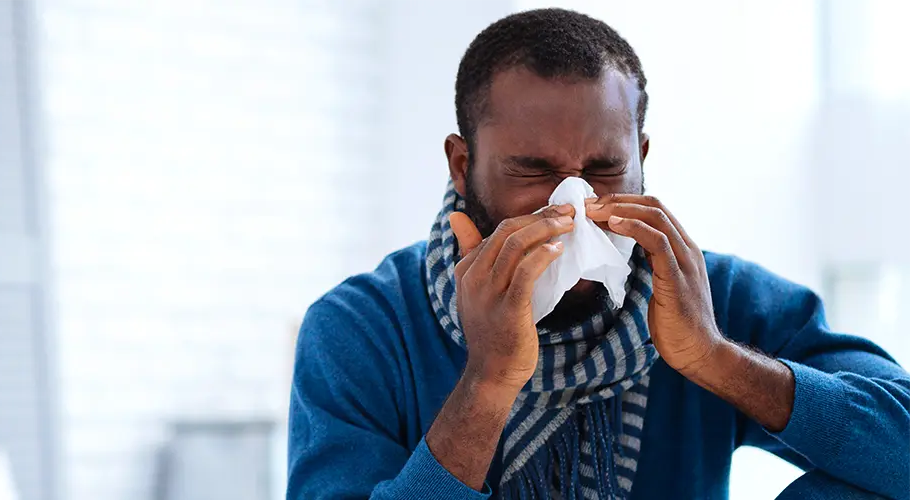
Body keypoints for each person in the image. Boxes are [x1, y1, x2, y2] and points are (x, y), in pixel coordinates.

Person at [287, 8, 910, 500]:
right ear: (462, 164)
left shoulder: (713, 297)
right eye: (533, 171)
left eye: (605, 169)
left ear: (642, 159)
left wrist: (714, 358)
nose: (575, 204)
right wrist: (487, 382)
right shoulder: (364, 327)